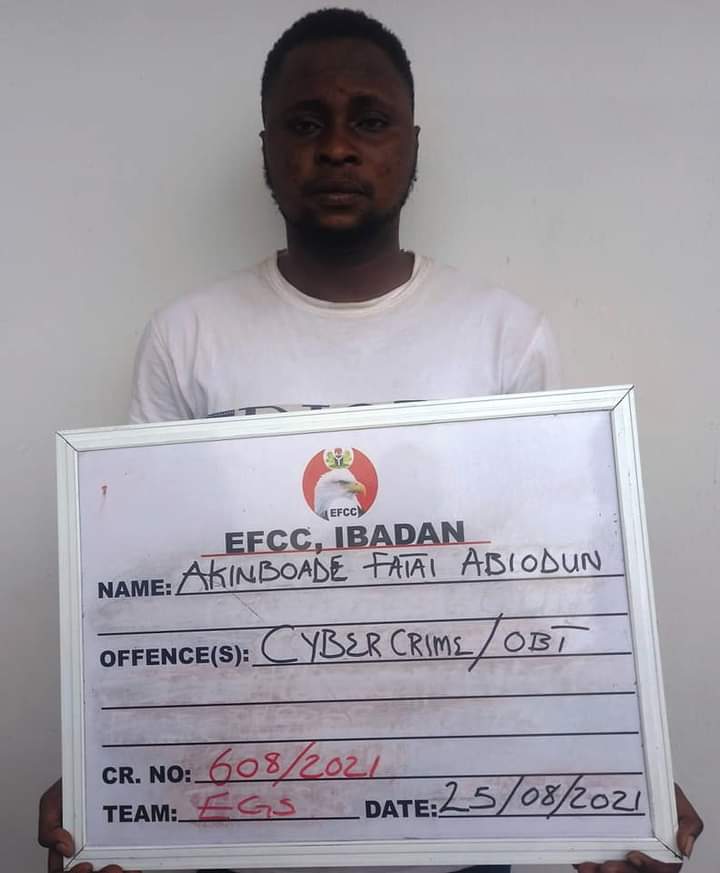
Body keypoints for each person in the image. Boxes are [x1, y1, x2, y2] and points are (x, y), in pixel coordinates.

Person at [38, 8, 703, 873]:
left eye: (372, 121)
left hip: (455, 825)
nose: (338, 148)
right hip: (248, 823)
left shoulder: (503, 335)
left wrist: (625, 769)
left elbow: (553, 589)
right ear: (268, 148)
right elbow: (153, 594)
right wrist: (107, 768)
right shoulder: (188, 337)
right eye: (305, 123)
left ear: (412, 144)